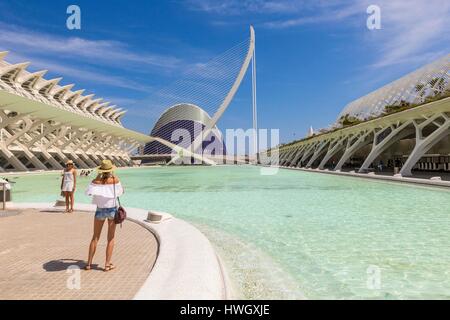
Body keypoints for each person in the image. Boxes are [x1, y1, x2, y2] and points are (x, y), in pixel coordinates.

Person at [84, 160, 124, 272]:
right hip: (112, 210)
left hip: (100, 210)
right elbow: (122, 192)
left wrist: (98, 177)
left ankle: (88, 264)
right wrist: (113, 176)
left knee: (95, 237)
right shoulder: (115, 180)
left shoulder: (95, 181)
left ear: (101, 170)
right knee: (110, 238)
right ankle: (107, 264)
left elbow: (88, 192)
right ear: (111, 170)